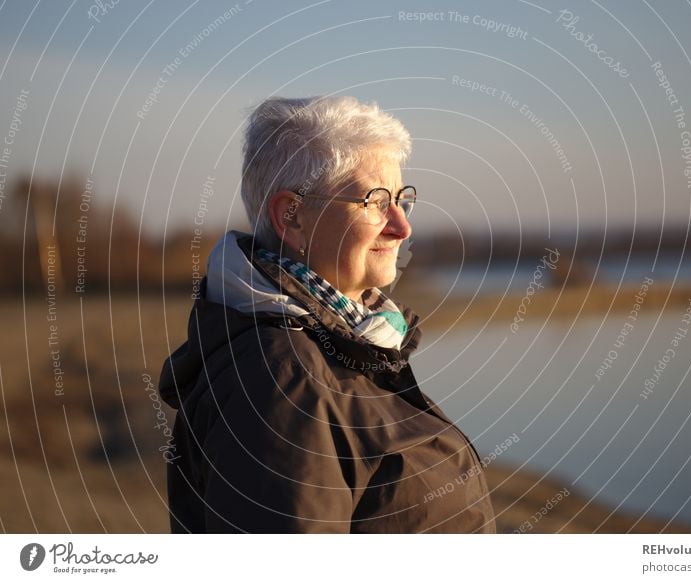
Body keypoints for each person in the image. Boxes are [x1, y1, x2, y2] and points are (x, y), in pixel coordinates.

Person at [159, 95, 496, 533]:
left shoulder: (345, 339)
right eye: (375, 201)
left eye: (401, 199)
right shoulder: (282, 381)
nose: (402, 226)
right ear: (292, 217)